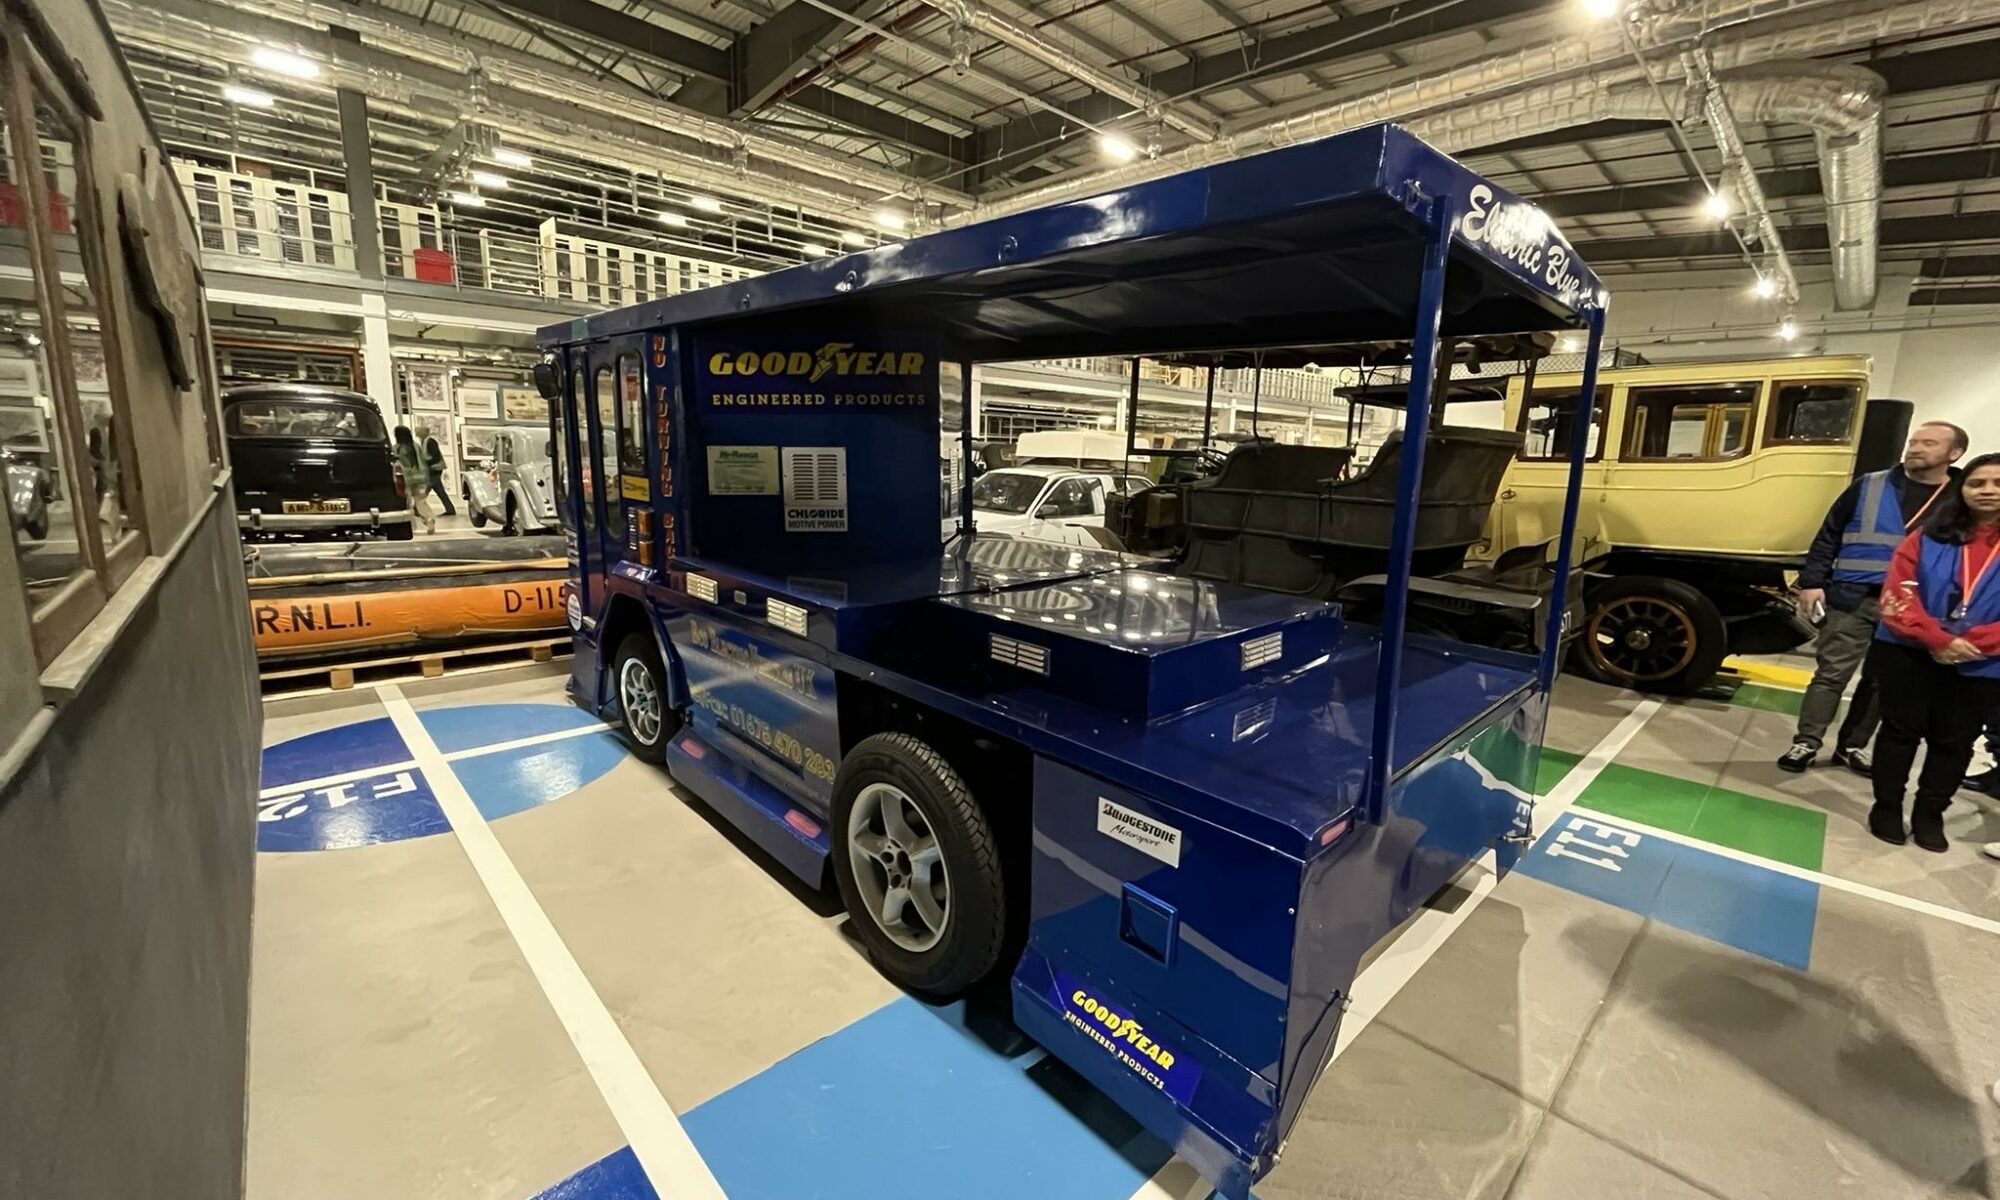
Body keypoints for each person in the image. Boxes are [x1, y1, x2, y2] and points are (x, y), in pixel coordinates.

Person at [1780, 421, 1968, 773]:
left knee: (1883, 682)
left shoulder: (1959, 499)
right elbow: (1829, 532)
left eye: (1928, 443)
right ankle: (1805, 743)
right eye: (1914, 441)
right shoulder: (1870, 484)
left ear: (1954, 454)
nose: (1915, 448)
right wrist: (1811, 581)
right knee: (1831, 674)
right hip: (1854, 597)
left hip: (1912, 607)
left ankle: (1852, 746)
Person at [1865, 452, 2000, 852]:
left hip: (1984, 661)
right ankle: (1886, 806)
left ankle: (1930, 813)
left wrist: (1972, 645)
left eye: (1997, 483)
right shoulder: (1928, 536)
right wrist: (1938, 639)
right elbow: (1897, 591)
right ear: (1962, 490)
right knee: (1899, 732)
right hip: (1909, 650)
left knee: (1955, 742)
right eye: (1977, 483)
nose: (1987, 491)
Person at [393, 424, 436, 535]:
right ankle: (429, 519)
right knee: (420, 501)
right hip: (420, 477)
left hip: (406, 479)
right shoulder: (416, 446)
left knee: (406, 503)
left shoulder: (397, 448)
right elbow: (423, 461)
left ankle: (411, 526)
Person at [416, 423, 457, 517]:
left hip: (434, 469)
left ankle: (418, 509)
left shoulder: (430, 442)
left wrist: (425, 462)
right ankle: (418, 508)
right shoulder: (424, 441)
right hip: (432, 469)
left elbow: (435, 456)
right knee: (433, 489)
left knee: (430, 489)